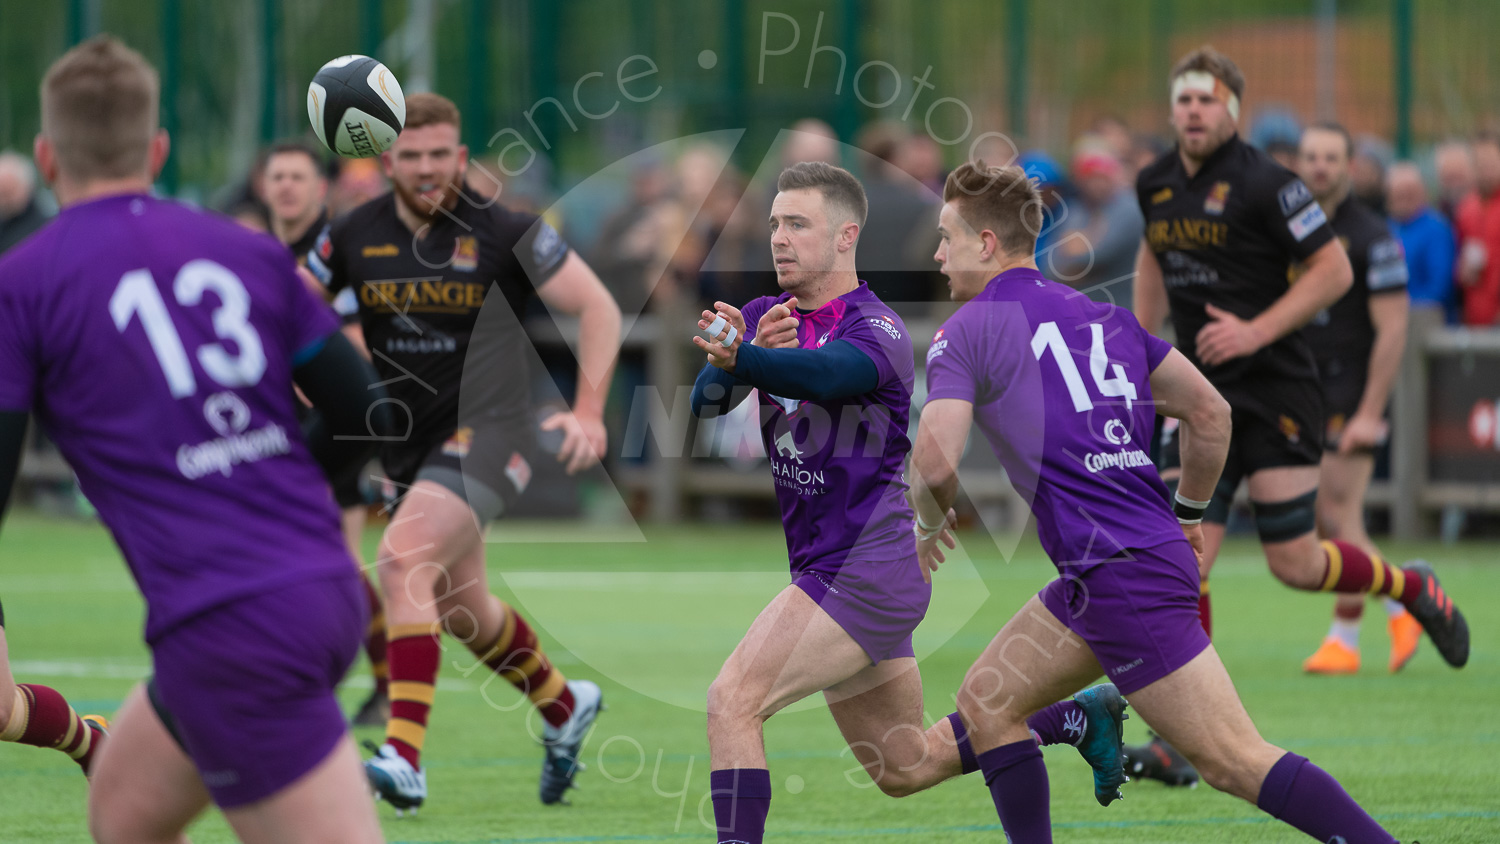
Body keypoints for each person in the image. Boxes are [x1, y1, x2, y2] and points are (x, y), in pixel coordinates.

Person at [910, 156, 1405, 844]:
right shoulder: (1102, 318)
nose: (938, 255)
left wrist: (924, 526)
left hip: (1122, 576)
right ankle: (1088, 718)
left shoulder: (965, 330)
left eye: (948, 236)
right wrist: (1191, 516)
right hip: (1116, 565)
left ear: (987, 244)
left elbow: (934, 460)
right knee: (987, 703)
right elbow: (1211, 413)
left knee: (1234, 761)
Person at [0, 35, 393, 843]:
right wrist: (281, 484)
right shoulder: (247, 250)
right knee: (124, 808)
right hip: (310, 584)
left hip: (233, 622)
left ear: (46, 156)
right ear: (157, 149)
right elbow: (365, 408)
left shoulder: (24, 282)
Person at [691, 162, 1127, 844]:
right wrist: (725, 362)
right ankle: (1074, 719)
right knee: (906, 766)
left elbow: (832, 376)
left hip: (864, 572)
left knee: (733, 701)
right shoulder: (764, 321)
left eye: (797, 224)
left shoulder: (877, 329)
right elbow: (703, 403)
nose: (778, 238)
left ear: (845, 237)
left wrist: (744, 358)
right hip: (831, 568)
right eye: (775, 223)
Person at [1131, 47, 1469, 784]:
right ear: (1172, 108)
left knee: (1297, 563)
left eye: (1207, 99)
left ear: (1233, 111)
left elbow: (1334, 271)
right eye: (1183, 98)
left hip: (1278, 389)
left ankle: (1410, 588)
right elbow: (1154, 261)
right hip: (1199, 400)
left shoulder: (1269, 183)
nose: (1193, 110)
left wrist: (1255, 331)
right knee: (1184, 563)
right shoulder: (1153, 184)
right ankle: (1184, 743)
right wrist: (1142, 353)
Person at [308, 92, 620, 810]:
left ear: (460, 157)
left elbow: (597, 305)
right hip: (408, 447)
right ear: (386, 159)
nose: (425, 169)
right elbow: (293, 304)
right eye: (410, 156)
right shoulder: (353, 232)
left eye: (438, 154)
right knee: (460, 606)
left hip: (495, 435)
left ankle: (403, 755)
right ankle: (565, 707)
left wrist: (591, 412)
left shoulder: (507, 229)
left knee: (402, 558)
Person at [262, 139, 391, 727]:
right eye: (277, 176)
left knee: (335, 557)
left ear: (321, 188)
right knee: (322, 558)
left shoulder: (339, 253)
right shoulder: (257, 252)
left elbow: (363, 343)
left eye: (298, 176)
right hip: (275, 425)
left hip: (332, 422)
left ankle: (367, 679)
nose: (286, 185)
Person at [1294, 125, 1423, 675]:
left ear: (1350, 165)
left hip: (1351, 388)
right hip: (1301, 388)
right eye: (1311, 157)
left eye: (1331, 157)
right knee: (1327, 520)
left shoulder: (1374, 237)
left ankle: (1349, 635)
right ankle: (1402, 597)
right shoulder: (1286, 233)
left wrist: (1371, 412)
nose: (1320, 166)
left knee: (1336, 512)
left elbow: (1394, 330)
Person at [1051, 147, 1143, 310]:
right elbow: (1051, 266)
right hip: (1081, 311)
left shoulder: (1128, 208)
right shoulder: (1075, 210)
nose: (1097, 185)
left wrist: (1076, 248)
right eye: (1091, 178)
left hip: (1120, 308)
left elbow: (1098, 255)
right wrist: (1091, 239)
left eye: (1103, 178)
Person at [1387, 162, 1458, 322]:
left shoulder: (1437, 229)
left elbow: (1440, 286)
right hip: (1393, 319)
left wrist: (1398, 304)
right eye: (1398, 193)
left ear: (1422, 193)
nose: (1403, 199)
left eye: (1409, 193)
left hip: (1428, 322)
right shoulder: (1386, 228)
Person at [1454, 133, 1500, 327]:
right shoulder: (1466, 209)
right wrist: (1461, 272)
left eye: (1490, 163)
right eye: (1480, 164)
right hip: (1474, 317)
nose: (1485, 171)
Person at [0, 151, 50, 254]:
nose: (5, 200)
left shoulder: (42, 227)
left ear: (28, 187)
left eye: (9, 192)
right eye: (1, 192)